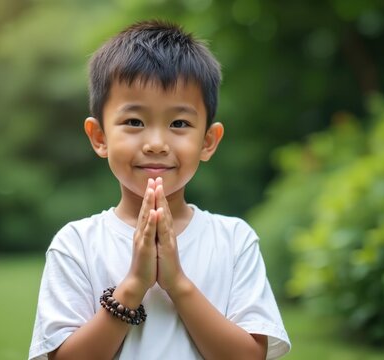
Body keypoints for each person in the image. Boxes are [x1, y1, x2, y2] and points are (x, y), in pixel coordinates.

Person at [28, 19, 290, 360]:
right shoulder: (76, 244)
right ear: (99, 137)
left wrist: (177, 284)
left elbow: (249, 356)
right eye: (134, 122)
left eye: (179, 123)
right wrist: (133, 287)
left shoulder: (234, 240)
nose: (155, 143)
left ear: (208, 142)